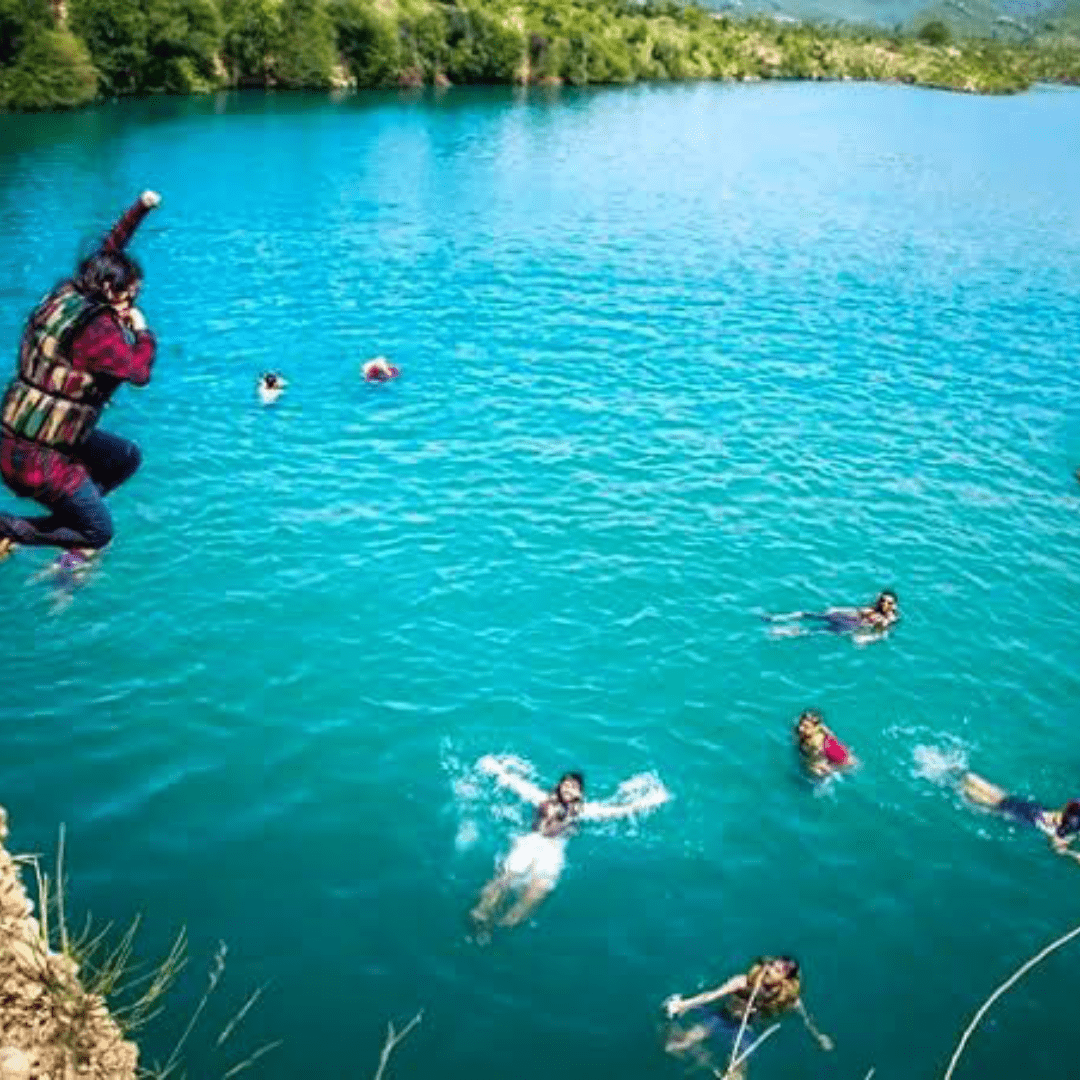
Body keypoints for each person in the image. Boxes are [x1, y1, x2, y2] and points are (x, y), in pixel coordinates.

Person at [0, 191, 161, 563]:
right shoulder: (97, 330)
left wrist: (139, 209)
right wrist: (142, 332)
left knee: (124, 457)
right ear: (107, 290)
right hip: (41, 458)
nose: (130, 307)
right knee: (98, 534)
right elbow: (138, 372)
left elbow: (108, 251)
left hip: (20, 435)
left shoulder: (68, 294)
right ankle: (13, 529)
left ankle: (63, 524)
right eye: (128, 298)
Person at [469, 757, 669, 936]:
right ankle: (481, 914)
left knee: (540, 889)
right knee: (508, 877)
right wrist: (496, 769)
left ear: (580, 793)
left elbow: (615, 811)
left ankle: (504, 924)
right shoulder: (541, 798)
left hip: (554, 851)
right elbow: (518, 785)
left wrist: (646, 803)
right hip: (530, 843)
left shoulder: (584, 811)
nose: (569, 788)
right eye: (566, 784)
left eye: (575, 787)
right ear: (558, 786)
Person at [663, 956, 832, 1078]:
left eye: (777, 970)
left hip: (744, 1030)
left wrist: (818, 1036)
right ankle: (706, 1060)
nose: (772, 969)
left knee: (736, 1076)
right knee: (673, 1047)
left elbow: (805, 1018)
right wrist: (683, 1004)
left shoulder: (789, 999)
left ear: (784, 980)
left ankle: (716, 1068)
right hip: (721, 1018)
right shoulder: (743, 982)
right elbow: (711, 995)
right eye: (772, 965)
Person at [959, 772, 1080, 863]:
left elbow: (1071, 803)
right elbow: (1058, 848)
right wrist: (1074, 855)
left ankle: (955, 771)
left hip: (1033, 809)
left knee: (995, 795)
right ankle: (951, 776)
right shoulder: (1064, 832)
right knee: (989, 801)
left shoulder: (1070, 811)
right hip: (1026, 816)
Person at [764, 590, 898, 640]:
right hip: (845, 617)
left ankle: (781, 632)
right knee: (806, 614)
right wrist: (837, 609)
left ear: (893, 605)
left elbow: (881, 633)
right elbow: (856, 610)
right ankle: (775, 618)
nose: (883, 604)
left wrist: (865, 638)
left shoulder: (889, 618)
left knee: (813, 631)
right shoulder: (873, 607)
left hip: (851, 625)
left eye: (888, 602)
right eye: (882, 600)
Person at [794, 709, 856, 779]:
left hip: (836, 759)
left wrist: (811, 765)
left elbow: (814, 759)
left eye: (805, 726)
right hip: (840, 751)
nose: (801, 729)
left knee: (811, 768)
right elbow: (831, 735)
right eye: (801, 725)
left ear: (813, 727)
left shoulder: (813, 744)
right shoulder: (820, 727)